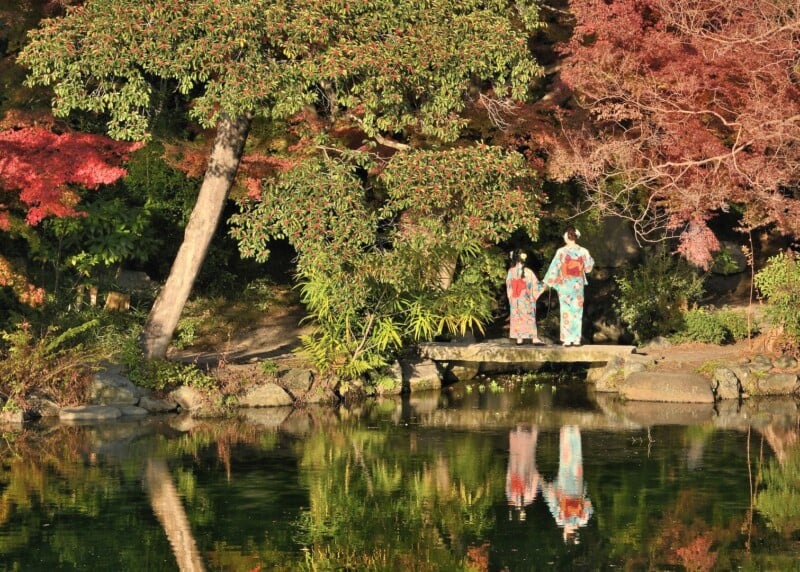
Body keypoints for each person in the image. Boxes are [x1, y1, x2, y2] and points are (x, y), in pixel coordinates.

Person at [542, 226, 594, 346]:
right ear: (576, 236)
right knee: (577, 311)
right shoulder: (583, 251)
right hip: (577, 284)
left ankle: (567, 339)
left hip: (565, 284)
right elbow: (588, 268)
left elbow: (554, 268)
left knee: (566, 310)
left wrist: (547, 282)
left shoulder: (561, 252)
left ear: (566, 235)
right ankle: (576, 339)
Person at [542, 425, 593, 544]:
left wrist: (580, 498)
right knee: (565, 460)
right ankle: (565, 431)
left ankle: (575, 431)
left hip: (577, 487)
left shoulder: (583, 520)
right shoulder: (560, 520)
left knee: (576, 459)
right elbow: (551, 500)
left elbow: (589, 503)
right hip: (564, 488)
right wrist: (547, 486)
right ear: (565, 534)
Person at [505, 250, 544, 345]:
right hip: (526, 298)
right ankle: (534, 338)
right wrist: (544, 285)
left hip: (515, 298)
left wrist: (511, 298)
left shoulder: (511, 271)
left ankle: (519, 339)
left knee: (517, 317)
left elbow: (509, 286)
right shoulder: (528, 272)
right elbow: (535, 286)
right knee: (529, 317)